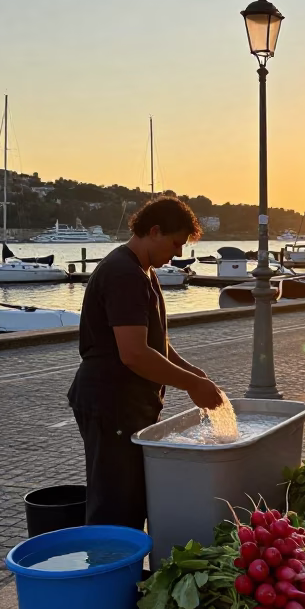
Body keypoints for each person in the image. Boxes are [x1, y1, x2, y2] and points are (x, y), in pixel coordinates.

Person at [68, 195, 224, 529]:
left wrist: (191, 371)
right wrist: (192, 384)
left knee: (132, 497)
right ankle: (107, 574)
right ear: (154, 231)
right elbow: (134, 353)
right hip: (109, 403)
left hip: (128, 404)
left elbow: (156, 342)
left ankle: (126, 574)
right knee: (114, 504)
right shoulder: (123, 273)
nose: (179, 254)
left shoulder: (145, 271)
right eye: (176, 243)